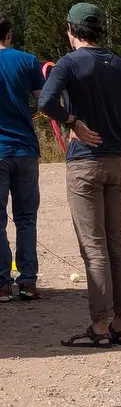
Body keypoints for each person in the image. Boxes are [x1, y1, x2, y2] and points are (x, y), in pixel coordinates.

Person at [39, 3, 121, 348]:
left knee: (93, 247)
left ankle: (99, 326)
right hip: (116, 161)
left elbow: (46, 102)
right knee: (118, 244)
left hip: (84, 163)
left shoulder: (68, 63)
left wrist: (73, 123)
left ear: (71, 30)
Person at [0, 16, 43, 302]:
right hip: (25, 149)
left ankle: (1, 284)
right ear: (10, 34)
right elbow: (44, 101)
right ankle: (27, 282)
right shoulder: (28, 61)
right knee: (26, 218)